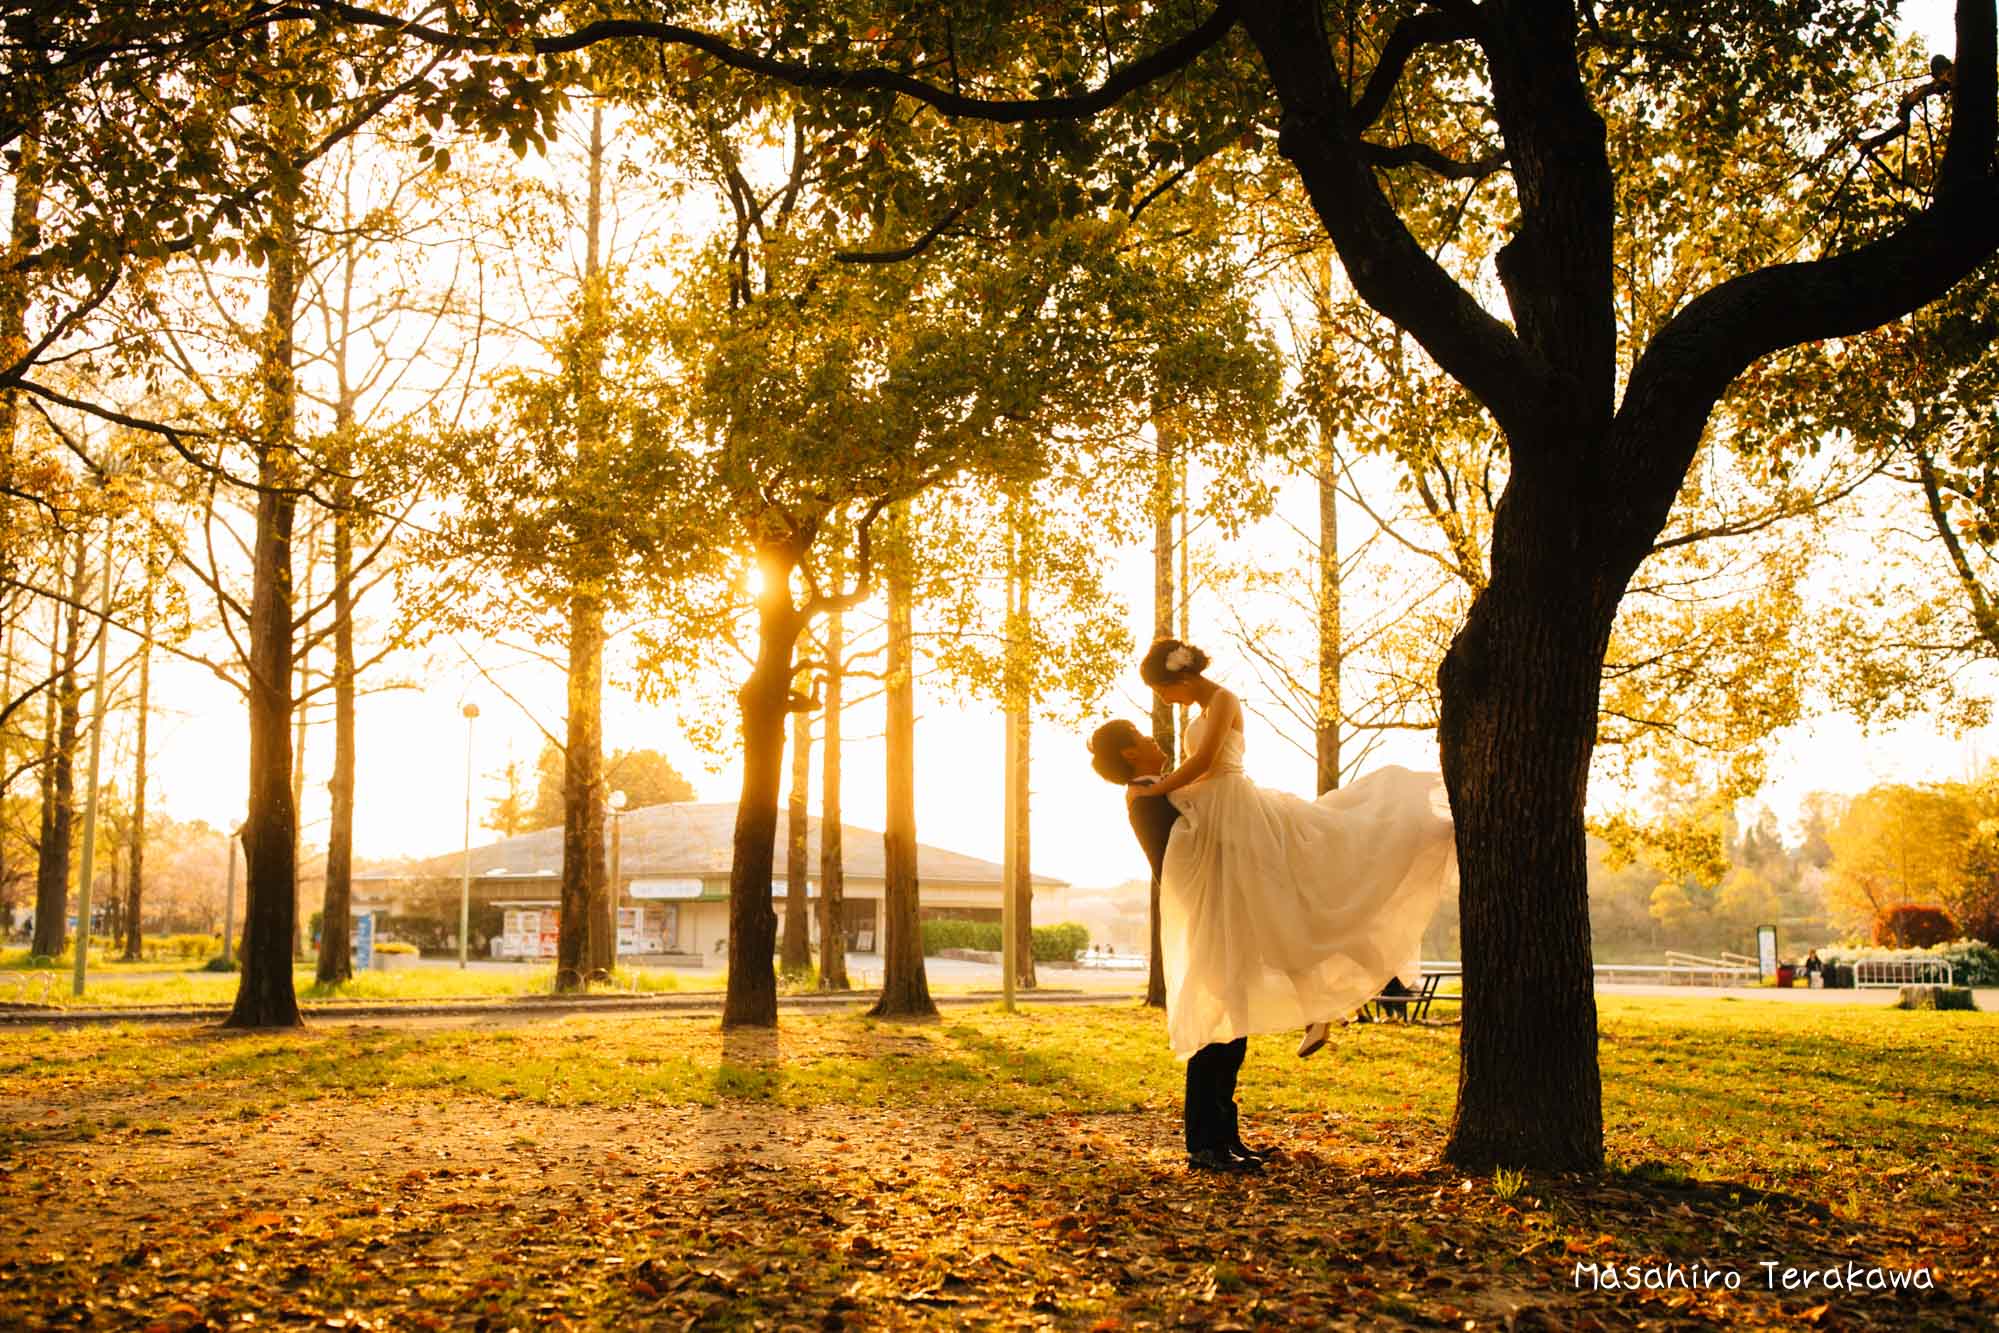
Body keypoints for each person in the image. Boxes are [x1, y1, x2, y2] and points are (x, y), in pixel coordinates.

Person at [1132, 637, 1457, 1061]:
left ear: (1182, 676)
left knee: (1281, 906)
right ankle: (1314, 1008)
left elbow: (1208, 759)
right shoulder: (1202, 709)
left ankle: (1334, 990)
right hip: (1217, 813)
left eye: (1163, 690)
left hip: (1237, 810)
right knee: (1269, 917)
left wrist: (1160, 787)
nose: (1165, 699)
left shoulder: (1224, 698)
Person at [1088, 718, 1267, 1176]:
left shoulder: (1161, 790)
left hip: (1219, 912)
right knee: (1212, 1034)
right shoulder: (1146, 797)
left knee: (1233, 1032)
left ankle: (1226, 1136)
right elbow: (1184, 847)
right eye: (1144, 738)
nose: (1154, 740)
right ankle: (1204, 1145)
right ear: (1130, 754)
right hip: (1203, 918)